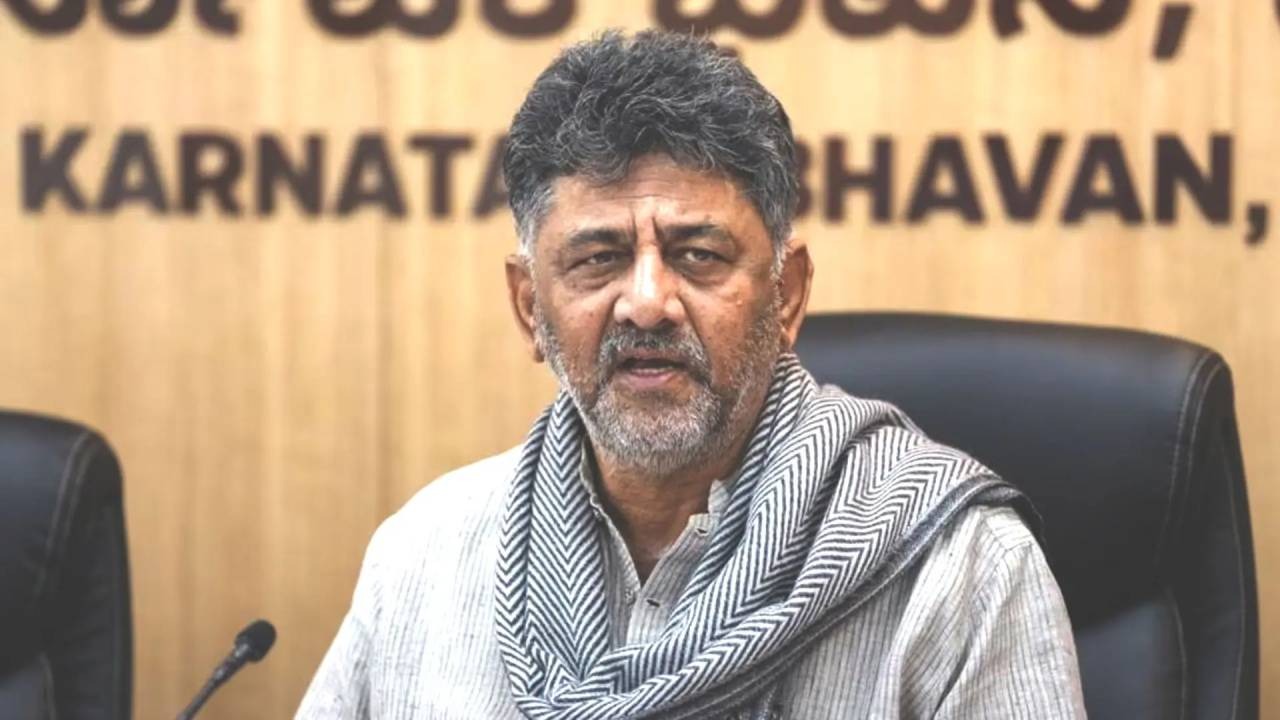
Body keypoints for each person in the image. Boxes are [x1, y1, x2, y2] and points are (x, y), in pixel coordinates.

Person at [297, 30, 1086, 719]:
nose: (647, 303)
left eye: (699, 255)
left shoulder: (962, 571)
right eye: (598, 258)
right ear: (529, 306)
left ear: (787, 295)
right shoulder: (424, 556)